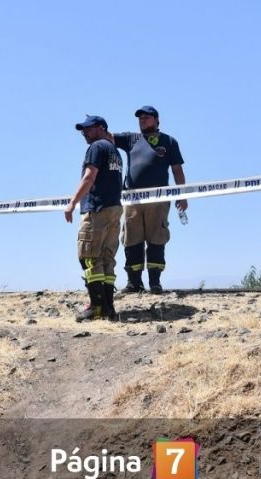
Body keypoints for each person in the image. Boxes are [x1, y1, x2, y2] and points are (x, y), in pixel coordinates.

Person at [112, 106, 186, 294]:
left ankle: (155, 282)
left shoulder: (169, 141)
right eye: (140, 117)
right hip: (132, 199)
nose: (143, 120)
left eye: (147, 117)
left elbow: (177, 170)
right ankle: (134, 282)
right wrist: (96, 126)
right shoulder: (131, 139)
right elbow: (107, 137)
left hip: (158, 200)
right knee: (131, 239)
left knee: (157, 238)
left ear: (157, 119)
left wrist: (182, 195)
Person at [65, 115, 123, 321]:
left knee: (89, 256)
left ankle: (97, 306)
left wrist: (72, 203)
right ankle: (108, 307)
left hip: (97, 209)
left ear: (101, 128)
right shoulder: (114, 151)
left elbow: (89, 177)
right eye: (83, 130)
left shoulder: (96, 147)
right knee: (107, 258)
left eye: (88, 128)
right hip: (114, 208)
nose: (84, 133)